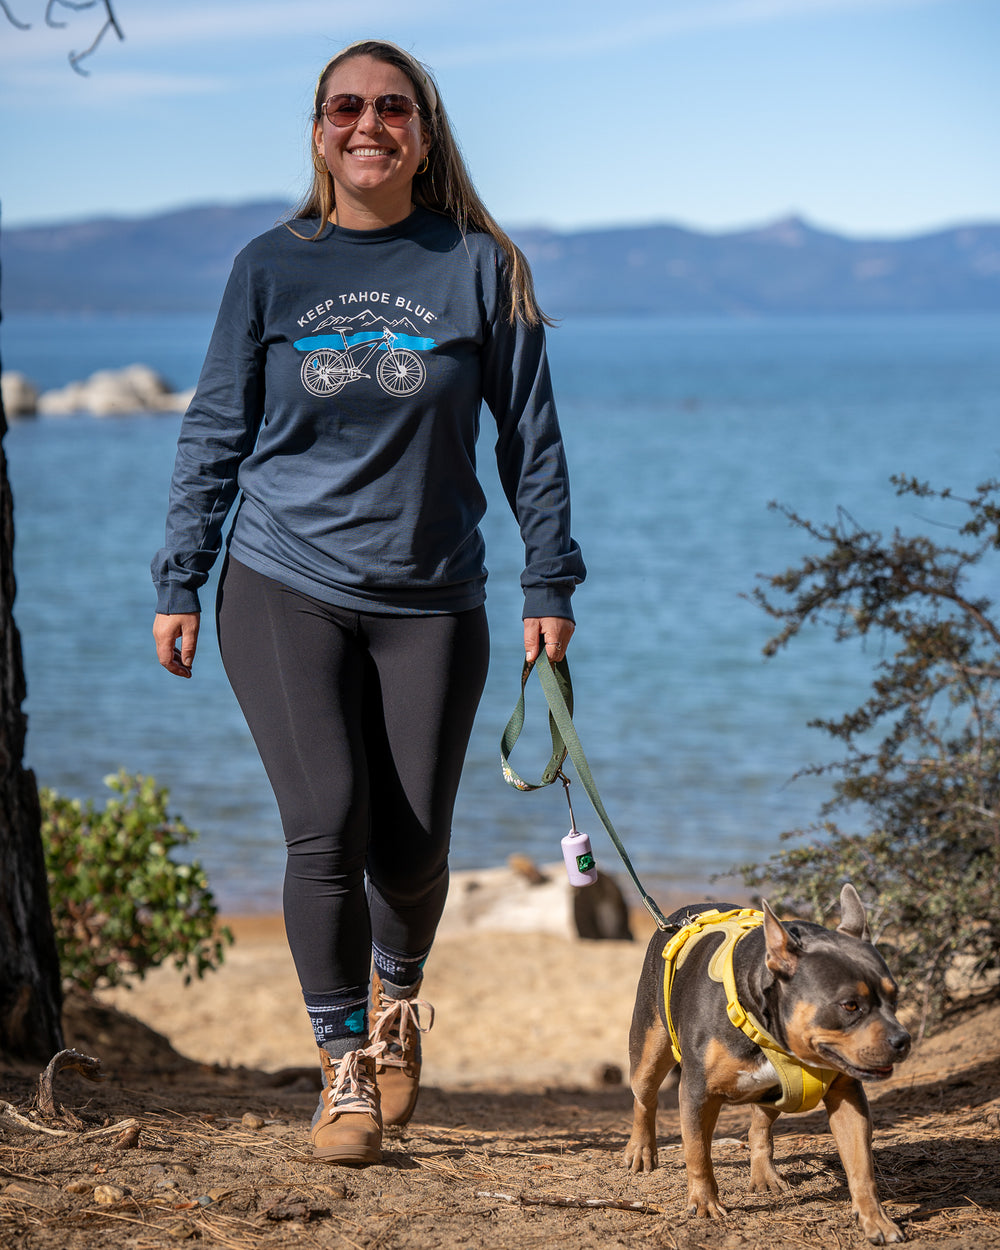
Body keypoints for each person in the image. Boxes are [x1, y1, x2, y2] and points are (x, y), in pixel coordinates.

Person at [151, 38, 585, 1167]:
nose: (366, 124)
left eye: (391, 108)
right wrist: (179, 575)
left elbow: (529, 437)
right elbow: (213, 427)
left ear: (423, 135)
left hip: (434, 595)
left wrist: (549, 577)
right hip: (280, 581)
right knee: (326, 820)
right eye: (344, 106)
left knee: (411, 844)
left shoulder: (482, 266)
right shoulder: (269, 266)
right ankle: (343, 1064)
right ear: (316, 130)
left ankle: (399, 997)